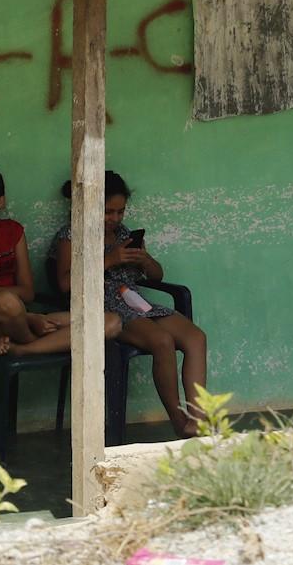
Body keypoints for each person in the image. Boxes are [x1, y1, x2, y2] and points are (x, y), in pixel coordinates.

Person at [50, 172, 209, 438]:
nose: (114, 218)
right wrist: (110, 260)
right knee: (161, 341)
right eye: (108, 212)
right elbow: (65, 284)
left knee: (196, 337)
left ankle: (199, 418)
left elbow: (157, 276)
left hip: (136, 302)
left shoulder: (124, 234)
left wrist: (145, 261)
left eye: (120, 212)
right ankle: (178, 419)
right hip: (104, 309)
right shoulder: (71, 235)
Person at [0, 167, 121, 357]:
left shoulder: (13, 231)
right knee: (6, 301)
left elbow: (27, 293)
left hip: (23, 319)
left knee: (111, 322)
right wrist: (24, 314)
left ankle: (25, 349)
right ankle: (39, 342)